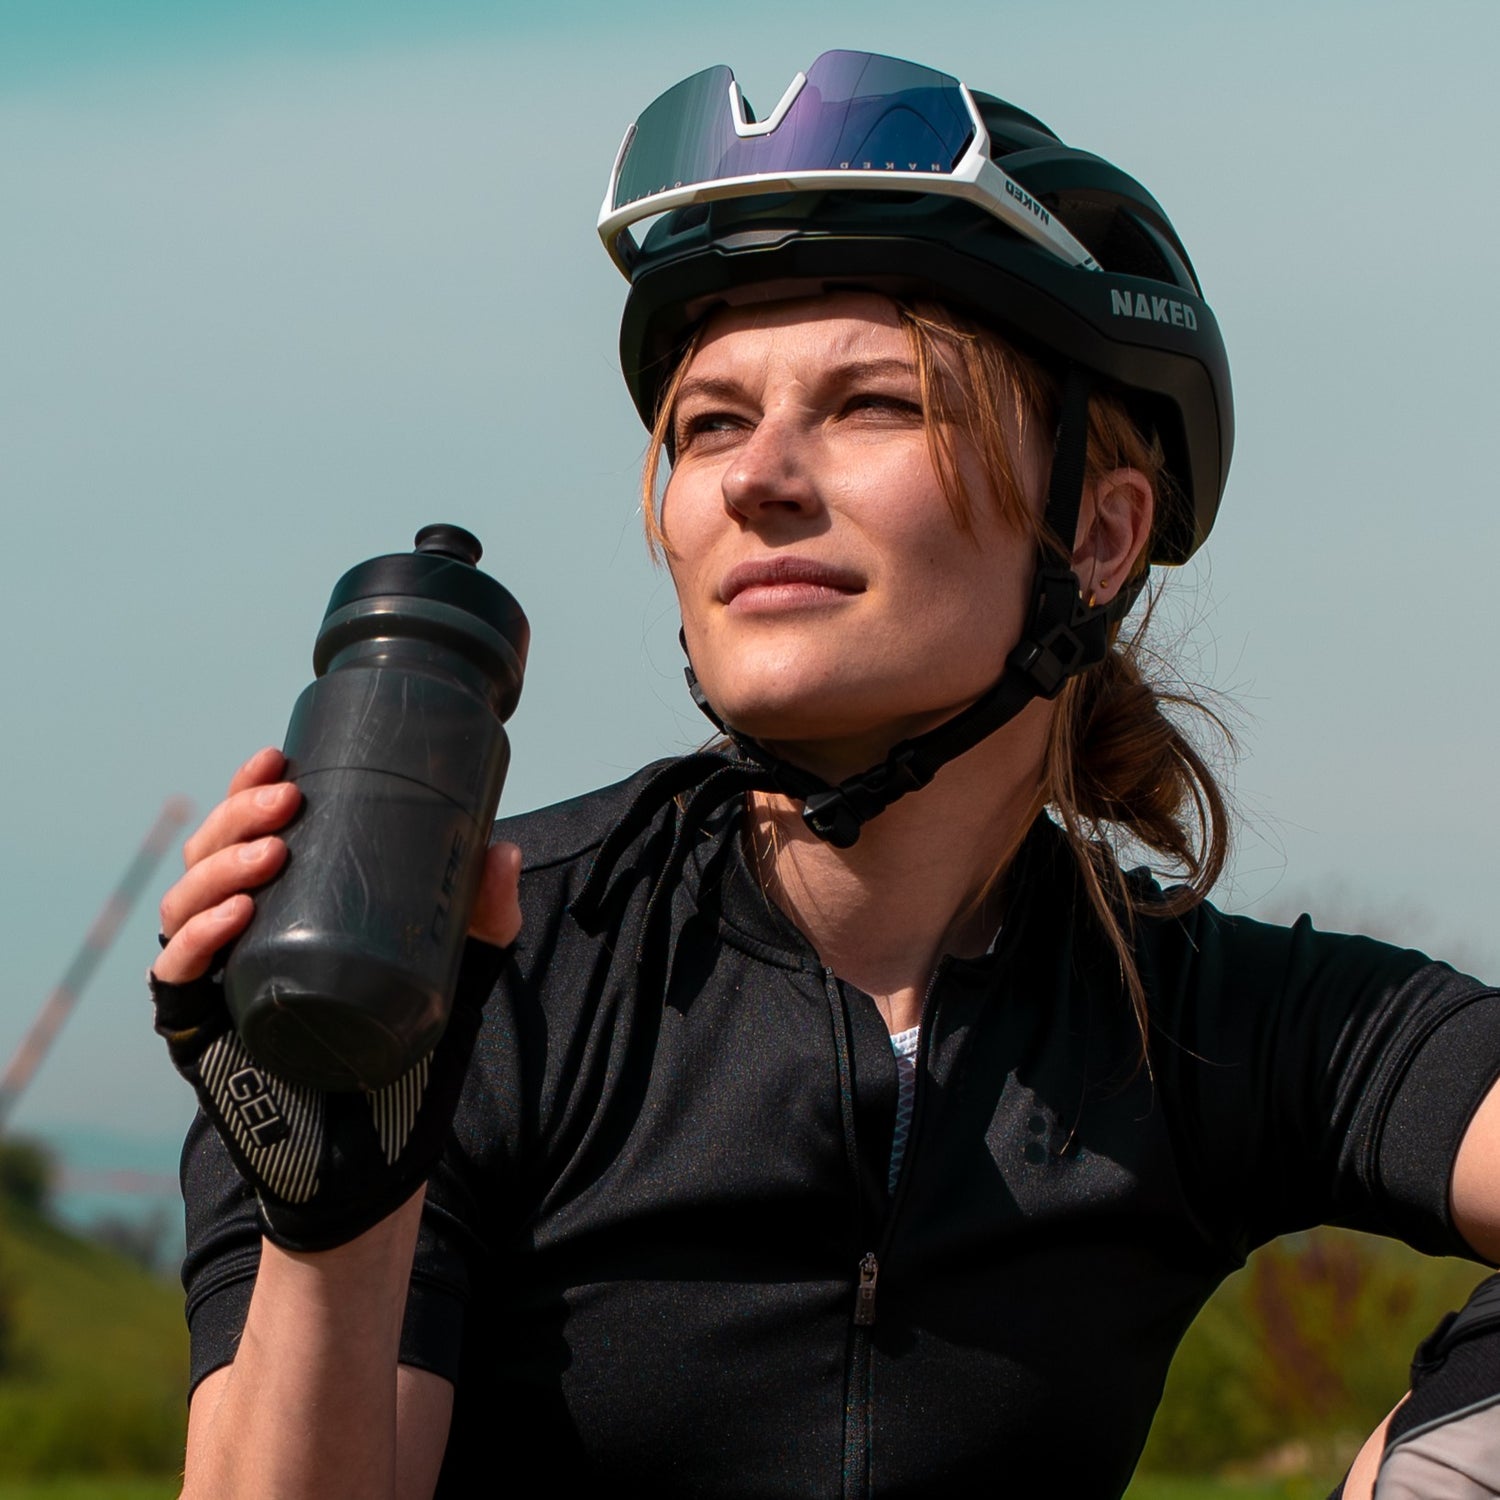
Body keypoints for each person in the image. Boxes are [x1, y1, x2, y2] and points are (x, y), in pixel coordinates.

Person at [150, 50, 1500, 1499]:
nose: (757, 478)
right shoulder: (485, 964)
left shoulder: (1200, 1024)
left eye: (872, 405)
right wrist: (337, 1202)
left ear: (1099, 539)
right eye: (712, 423)